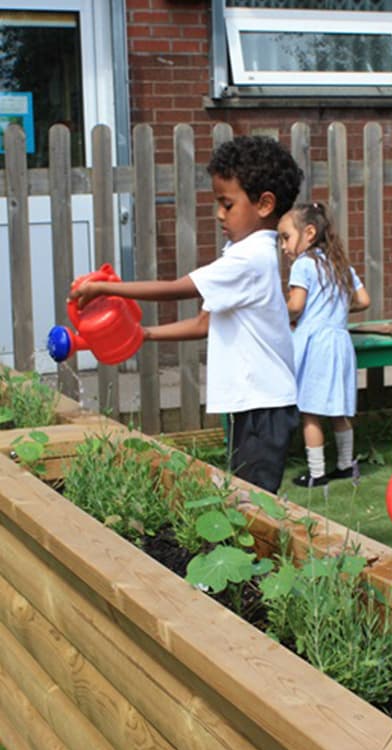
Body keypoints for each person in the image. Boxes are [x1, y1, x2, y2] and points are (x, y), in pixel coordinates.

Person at [70, 135, 303, 494]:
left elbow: (179, 287)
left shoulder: (249, 258)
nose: (219, 214)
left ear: (264, 204)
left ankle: (263, 552)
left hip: (264, 406)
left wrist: (106, 289)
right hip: (260, 404)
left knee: (254, 503)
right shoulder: (245, 255)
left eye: (227, 204)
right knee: (245, 497)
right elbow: (204, 323)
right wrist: (144, 334)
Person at [277, 202, 370, 487]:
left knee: (310, 411)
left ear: (309, 233)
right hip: (340, 342)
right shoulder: (339, 264)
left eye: (285, 237)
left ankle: (316, 473)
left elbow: (296, 305)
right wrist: (336, 310)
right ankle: (344, 464)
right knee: (339, 409)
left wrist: (277, 311)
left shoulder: (303, 265)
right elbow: (364, 300)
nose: (282, 246)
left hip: (315, 344)